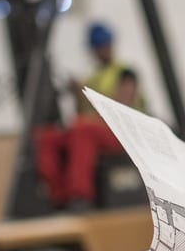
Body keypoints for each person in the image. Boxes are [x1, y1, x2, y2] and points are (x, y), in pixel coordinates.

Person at [35, 21, 144, 209]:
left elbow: (122, 109)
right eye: (99, 47)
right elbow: (80, 114)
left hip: (124, 133)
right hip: (95, 131)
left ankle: (80, 197)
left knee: (82, 129)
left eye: (105, 45)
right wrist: (78, 93)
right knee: (47, 136)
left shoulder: (125, 73)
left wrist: (88, 96)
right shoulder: (91, 78)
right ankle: (57, 195)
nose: (103, 50)